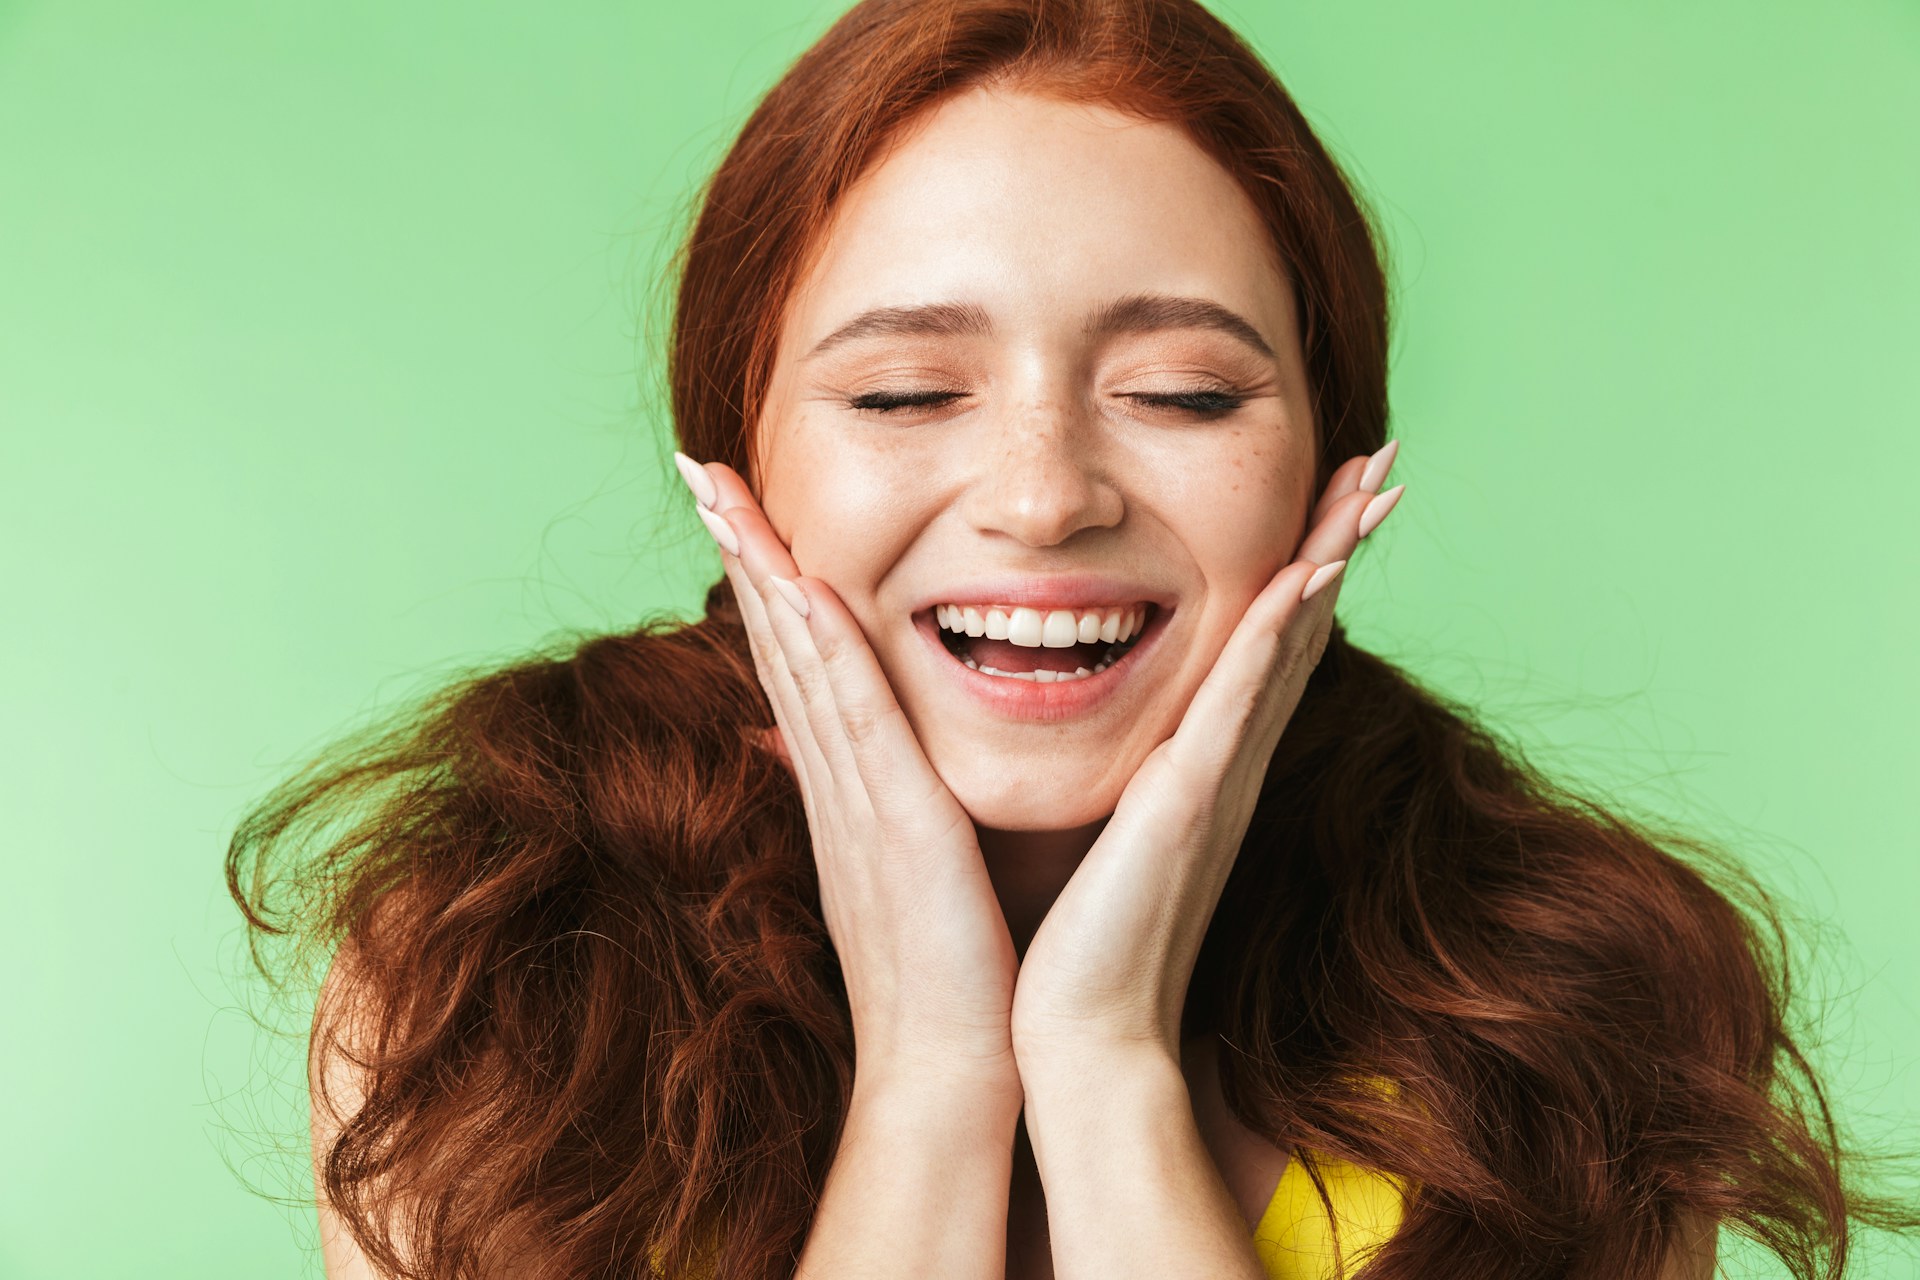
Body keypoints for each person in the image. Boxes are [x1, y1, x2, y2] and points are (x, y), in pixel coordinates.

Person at [227, 1, 1912, 1276]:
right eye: (905, 392)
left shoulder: (1559, 1013)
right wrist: (933, 1075)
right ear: (741, 460)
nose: (1043, 499)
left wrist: (1103, 1066)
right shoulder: (496, 969)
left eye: (1183, 393)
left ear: (1328, 461)